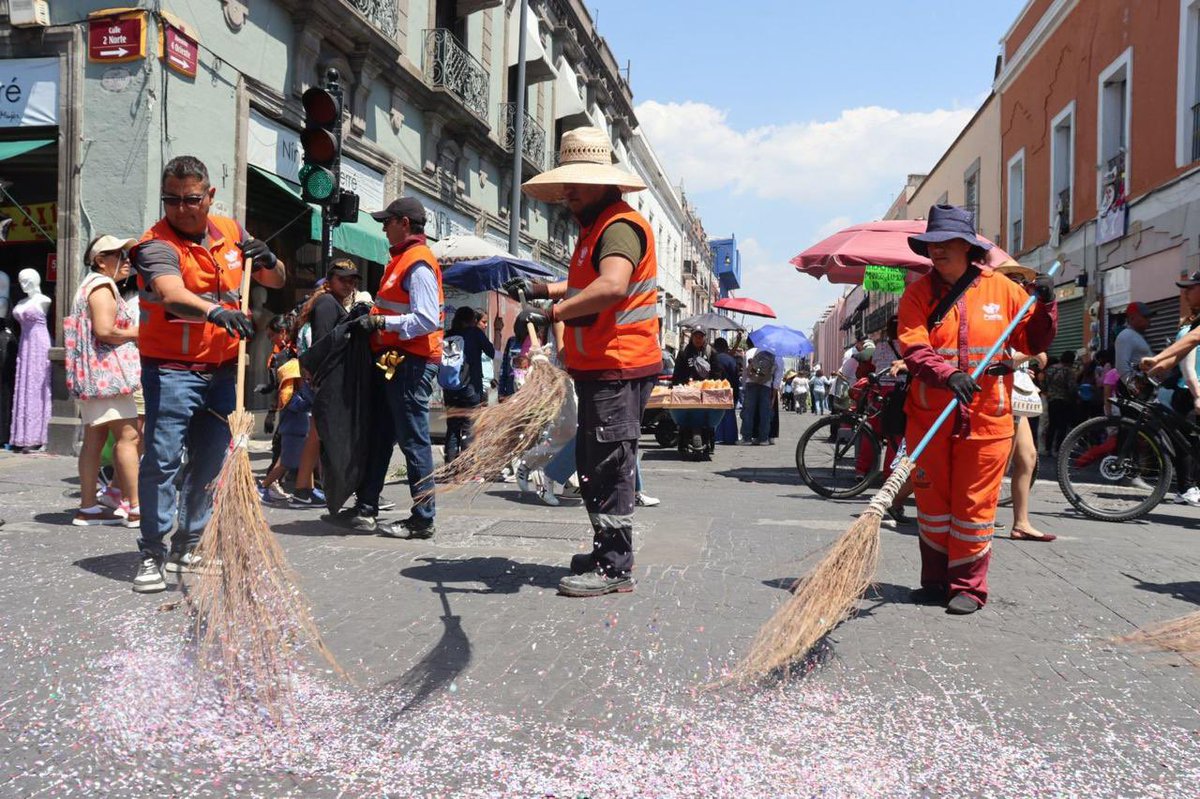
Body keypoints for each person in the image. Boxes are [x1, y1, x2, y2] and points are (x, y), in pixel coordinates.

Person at [505, 125, 660, 598]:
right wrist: (541, 289)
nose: (567, 193)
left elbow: (611, 287)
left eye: (575, 184)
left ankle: (615, 567)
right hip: (599, 367)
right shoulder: (596, 229)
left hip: (619, 365)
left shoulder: (618, 227)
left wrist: (550, 311)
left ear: (602, 182)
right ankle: (603, 550)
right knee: (593, 463)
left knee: (610, 465)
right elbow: (585, 286)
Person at [131, 155, 286, 593]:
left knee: (212, 462)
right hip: (172, 372)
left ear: (210, 196)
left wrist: (271, 258)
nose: (181, 208)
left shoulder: (232, 232)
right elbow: (171, 294)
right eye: (171, 200)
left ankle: (191, 541)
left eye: (191, 199)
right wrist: (216, 311)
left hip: (224, 372)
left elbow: (275, 280)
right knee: (162, 461)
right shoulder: (155, 245)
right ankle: (152, 551)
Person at [897, 204, 1055, 615]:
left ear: (968, 246)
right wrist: (947, 374)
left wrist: (1047, 305)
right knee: (933, 504)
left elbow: (1033, 339)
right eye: (932, 244)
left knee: (974, 505)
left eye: (947, 243)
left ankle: (967, 585)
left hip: (987, 419)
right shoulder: (917, 294)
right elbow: (913, 347)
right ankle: (934, 580)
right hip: (930, 416)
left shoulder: (1003, 290)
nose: (937, 251)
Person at [352, 197, 444, 539]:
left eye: (386, 221)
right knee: (383, 435)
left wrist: (381, 325)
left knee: (413, 441)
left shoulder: (417, 262)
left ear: (404, 223)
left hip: (412, 362)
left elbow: (425, 319)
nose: (382, 227)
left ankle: (422, 518)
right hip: (399, 360)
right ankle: (367, 505)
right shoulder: (403, 260)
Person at [69, 235, 142, 527]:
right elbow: (105, 329)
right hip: (108, 375)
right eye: (119, 256)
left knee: (95, 438)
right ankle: (135, 507)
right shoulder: (101, 285)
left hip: (94, 376)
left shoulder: (90, 284)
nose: (126, 262)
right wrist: (140, 332)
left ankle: (88, 506)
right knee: (129, 437)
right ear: (101, 260)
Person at [287, 259, 361, 506]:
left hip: (325, 379)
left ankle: (302, 490)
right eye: (343, 279)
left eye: (352, 280)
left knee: (317, 434)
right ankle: (335, 488)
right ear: (329, 281)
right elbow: (325, 344)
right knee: (328, 435)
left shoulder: (329, 302)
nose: (349, 285)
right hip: (329, 379)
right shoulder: (328, 303)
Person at [443, 306, 496, 463]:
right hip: (470, 387)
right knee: (468, 426)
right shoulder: (475, 333)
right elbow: (491, 352)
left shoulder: (448, 335)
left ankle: (450, 466)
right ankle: (465, 467)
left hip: (450, 387)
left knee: (452, 427)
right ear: (472, 320)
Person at [1042, 351, 1077, 456]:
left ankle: (1047, 448)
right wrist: (1075, 398)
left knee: (1052, 425)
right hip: (1064, 400)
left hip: (1052, 399)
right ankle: (1058, 449)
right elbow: (1072, 387)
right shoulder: (1068, 371)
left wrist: (1048, 393)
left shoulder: (1050, 369)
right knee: (1062, 426)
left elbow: (1043, 384)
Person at [712, 337, 741, 444]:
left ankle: (717, 436)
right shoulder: (731, 360)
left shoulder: (713, 358)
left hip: (715, 391)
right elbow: (735, 377)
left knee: (716, 415)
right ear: (725, 347)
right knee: (729, 415)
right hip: (730, 391)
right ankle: (730, 437)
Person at [1116, 302, 1154, 379]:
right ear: (1132, 318)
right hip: (1142, 387)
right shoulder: (1126, 335)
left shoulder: (1137, 335)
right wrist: (1135, 388)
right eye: (1145, 317)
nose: (1149, 320)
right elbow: (1121, 367)